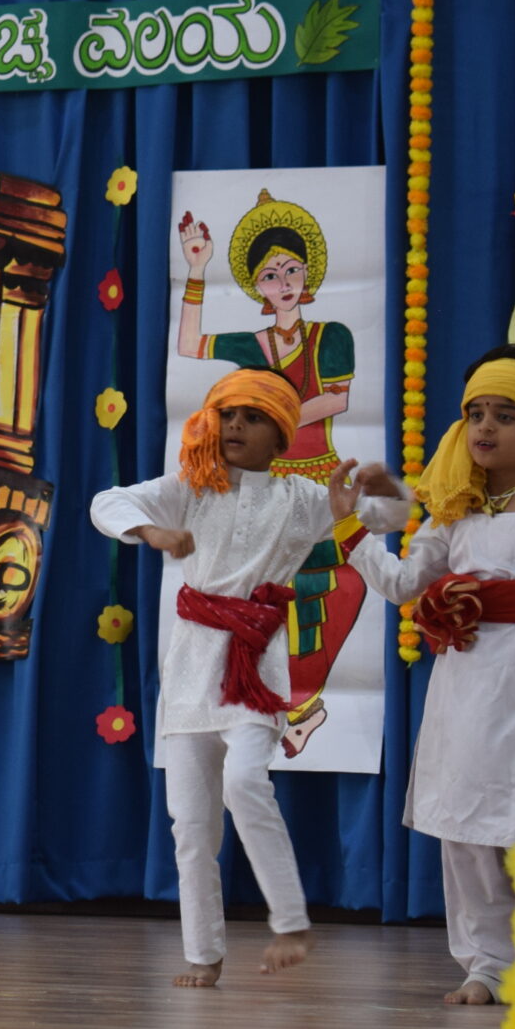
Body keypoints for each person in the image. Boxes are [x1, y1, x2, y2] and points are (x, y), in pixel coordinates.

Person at [90, 367, 409, 989]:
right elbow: (108, 502)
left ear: (282, 436)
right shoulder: (192, 487)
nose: (235, 426)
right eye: (228, 415)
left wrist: (384, 487)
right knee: (191, 827)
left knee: (244, 783)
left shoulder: (302, 499)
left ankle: (290, 924)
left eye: (253, 417)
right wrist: (151, 530)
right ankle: (202, 955)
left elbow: (387, 516)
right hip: (190, 675)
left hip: (254, 673)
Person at [347, 346, 515, 1006]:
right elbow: (405, 583)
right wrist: (354, 534)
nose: (486, 427)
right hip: (467, 684)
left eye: (506, 415)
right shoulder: (456, 504)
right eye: (476, 413)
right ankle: (488, 965)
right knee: (468, 823)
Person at [175, 194, 367, 755]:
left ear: (307, 275)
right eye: (269, 274)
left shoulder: (331, 336)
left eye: (291, 270)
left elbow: (337, 399)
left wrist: (270, 415)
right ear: (257, 286)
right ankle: (276, 707)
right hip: (266, 489)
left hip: (320, 484)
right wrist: (196, 270)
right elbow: (188, 344)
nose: (282, 282)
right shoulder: (252, 345)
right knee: (263, 596)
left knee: (338, 586)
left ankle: (303, 703)